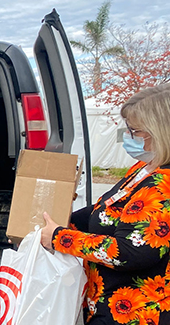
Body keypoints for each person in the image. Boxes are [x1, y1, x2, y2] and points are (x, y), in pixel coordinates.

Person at [41, 83, 170, 324]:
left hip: (137, 313)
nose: (129, 137)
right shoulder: (144, 168)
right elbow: (108, 208)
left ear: (159, 131)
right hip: (108, 304)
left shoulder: (163, 187)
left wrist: (61, 237)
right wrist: (62, 217)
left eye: (136, 131)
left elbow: (130, 252)